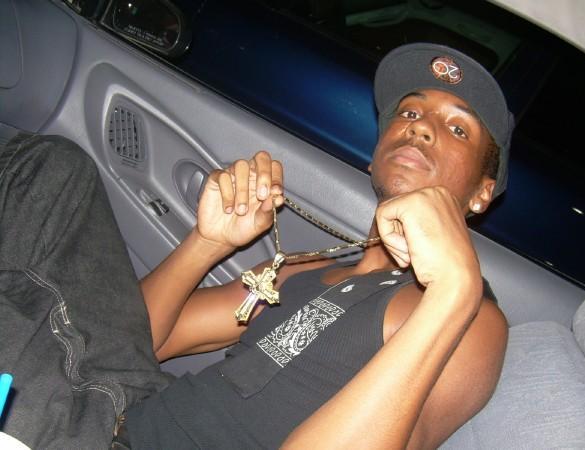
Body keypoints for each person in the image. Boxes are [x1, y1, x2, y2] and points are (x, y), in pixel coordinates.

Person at [0, 42, 513, 449]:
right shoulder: (305, 270)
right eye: (409, 113)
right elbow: (131, 341)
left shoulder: (469, 318)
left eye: (457, 128)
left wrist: (452, 291)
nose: (421, 128)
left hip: (80, 430)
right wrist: (206, 242)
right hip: (109, 408)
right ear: (377, 153)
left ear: (482, 193)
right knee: (53, 168)